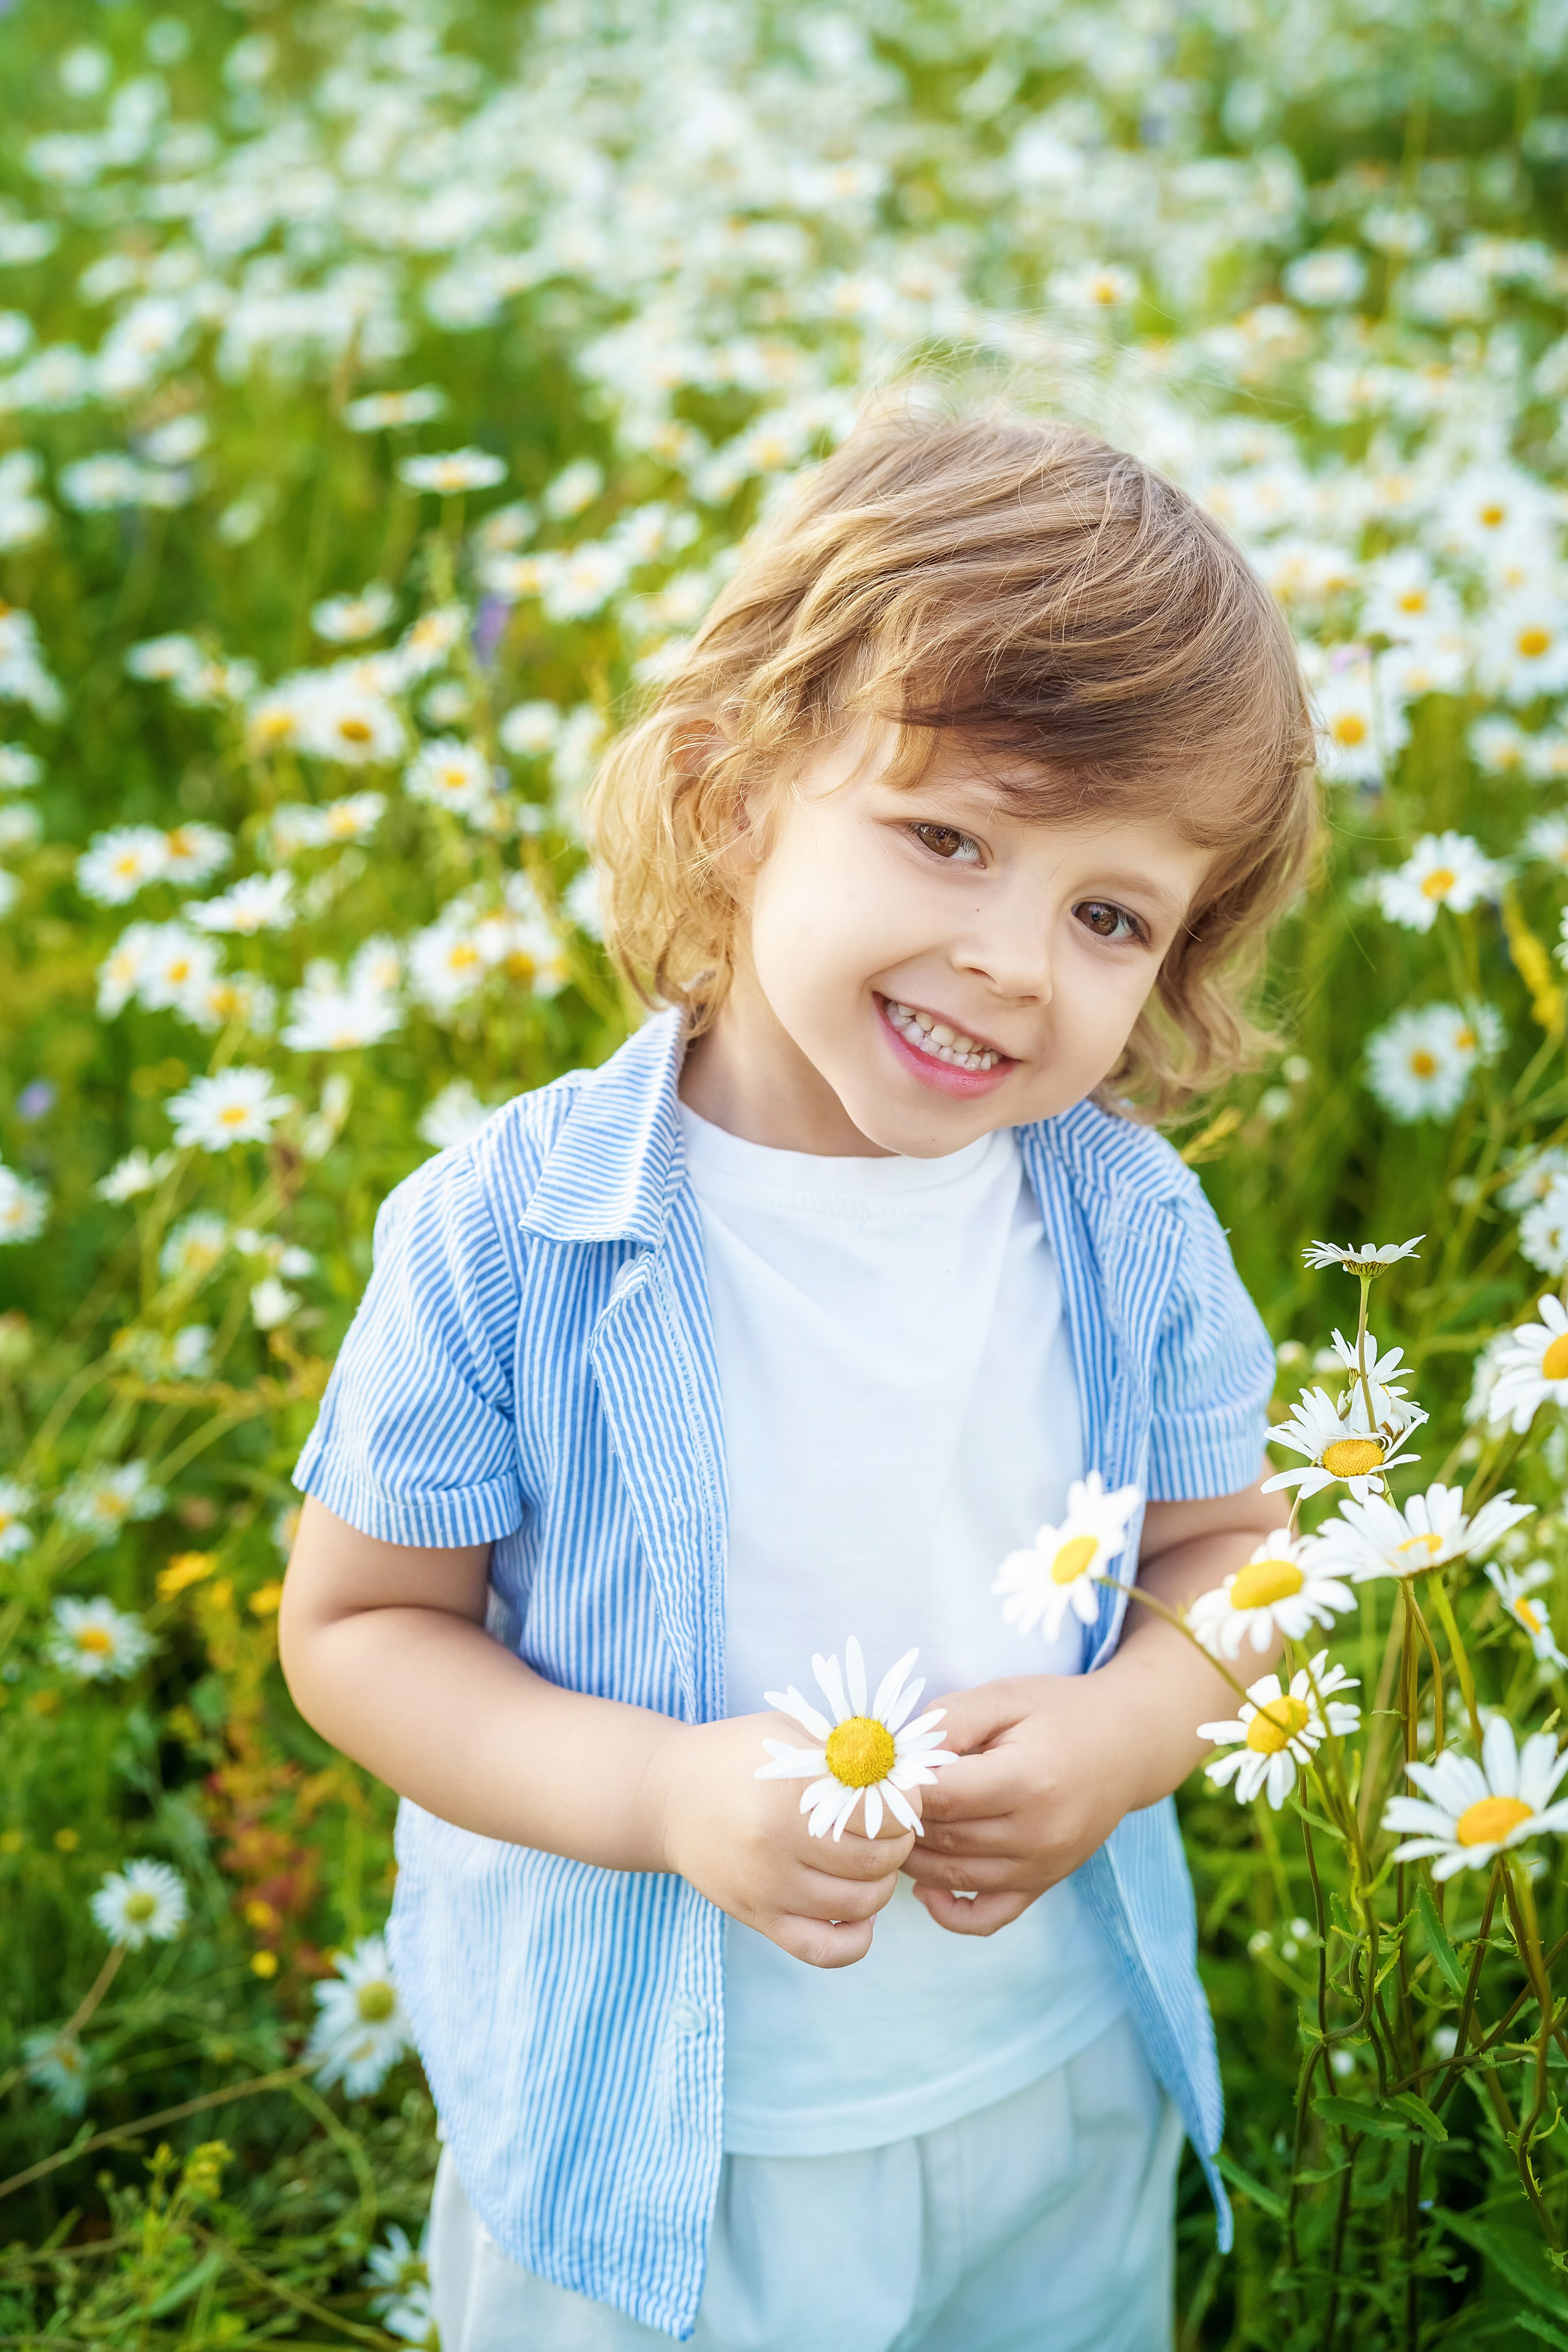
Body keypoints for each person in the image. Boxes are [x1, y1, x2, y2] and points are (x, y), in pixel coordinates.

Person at [278, 403, 1315, 2351]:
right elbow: (357, 1629)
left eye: (1108, 914)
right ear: (733, 792)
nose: (1015, 961)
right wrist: (664, 1791)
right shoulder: (509, 1230)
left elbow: (1236, 1553)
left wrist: (1128, 1736)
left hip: (1050, 2082)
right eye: (950, 838)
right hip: (653, 2137)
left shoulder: (1132, 1226)